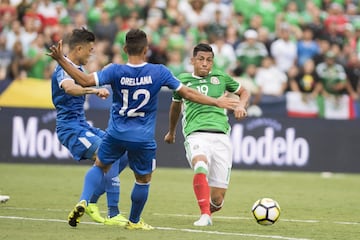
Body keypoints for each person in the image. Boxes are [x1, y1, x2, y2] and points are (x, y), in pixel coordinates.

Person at [47, 28, 241, 230]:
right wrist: (215, 102)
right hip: (142, 137)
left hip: (116, 133)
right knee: (143, 179)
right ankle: (133, 220)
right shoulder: (159, 72)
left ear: (124, 48)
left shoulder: (114, 70)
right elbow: (189, 94)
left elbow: (85, 81)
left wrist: (61, 59)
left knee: (101, 164)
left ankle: (88, 201)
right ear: (146, 49)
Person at [164, 43, 249, 226]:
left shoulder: (221, 77)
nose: (205, 64)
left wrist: (241, 105)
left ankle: (209, 209)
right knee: (200, 164)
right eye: (201, 59)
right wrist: (171, 131)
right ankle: (204, 216)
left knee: (217, 200)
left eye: (209, 60)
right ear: (192, 60)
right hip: (196, 134)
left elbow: (244, 92)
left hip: (222, 138)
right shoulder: (183, 80)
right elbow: (175, 107)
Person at [50, 28, 128, 227]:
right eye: (90, 50)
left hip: (82, 125)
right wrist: (92, 90)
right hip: (71, 129)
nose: (91, 53)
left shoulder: (77, 69)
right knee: (107, 154)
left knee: (123, 152)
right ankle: (113, 213)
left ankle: (89, 202)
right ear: (78, 48)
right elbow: (69, 88)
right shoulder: (63, 68)